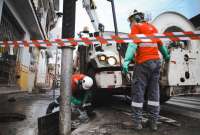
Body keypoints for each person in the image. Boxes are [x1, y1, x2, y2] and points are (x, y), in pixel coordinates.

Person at [122, 10, 170, 131]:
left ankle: (137, 122)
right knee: (154, 92)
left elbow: (133, 45)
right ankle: (153, 122)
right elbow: (160, 45)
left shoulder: (137, 27)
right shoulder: (152, 27)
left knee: (138, 92)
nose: (130, 24)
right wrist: (166, 55)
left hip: (143, 63)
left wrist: (126, 61)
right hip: (156, 62)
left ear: (136, 18)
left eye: (130, 21)